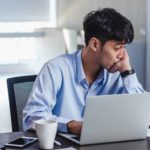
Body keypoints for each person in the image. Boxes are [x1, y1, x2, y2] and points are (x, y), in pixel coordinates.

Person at [23, 8, 144, 135]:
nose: (123, 55)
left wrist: (128, 72)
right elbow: (32, 117)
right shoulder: (55, 69)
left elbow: (142, 116)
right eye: (117, 48)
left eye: (124, 47)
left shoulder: (117, 72)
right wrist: (69, 125)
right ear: (95, 44)